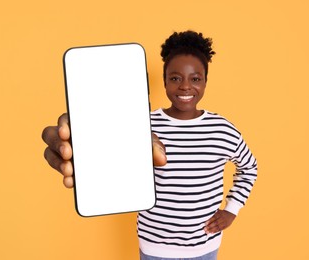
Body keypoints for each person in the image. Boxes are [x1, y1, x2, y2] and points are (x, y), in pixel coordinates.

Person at [42, 30, 257, 260]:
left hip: (204, 246)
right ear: (164, 81)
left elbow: (249, 168)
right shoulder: (142, 124)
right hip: (154, 245)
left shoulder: (222, 129)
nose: (185, 86)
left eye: (195, 79)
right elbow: (116, 163)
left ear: (205, 81)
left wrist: (231, 210)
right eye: (175, 78)